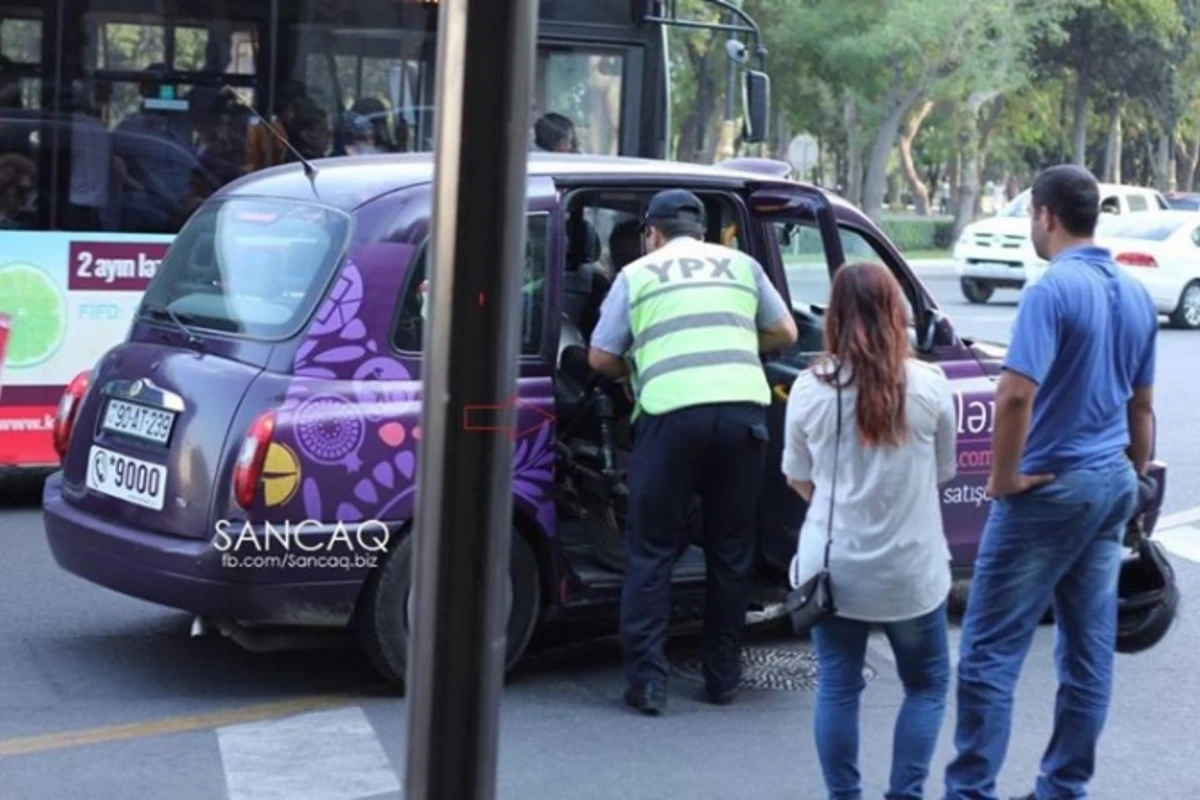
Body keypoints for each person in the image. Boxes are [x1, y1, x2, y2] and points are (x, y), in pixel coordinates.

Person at [943, 165, 1158, 800]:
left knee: (987, 651)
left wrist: (1003, 478)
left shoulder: (1051, 290)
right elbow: (1141, 409)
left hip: (1049, 488)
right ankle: (1064, 789)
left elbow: (1014, 397)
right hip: (1110, 481)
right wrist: (1137, 484)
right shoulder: (1135, 292)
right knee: (1087, 654)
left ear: (1045, 216)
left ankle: (970, 790)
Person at [587, 189, 798, 715]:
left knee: (652, 551)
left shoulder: (638, 274)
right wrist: (736, 346)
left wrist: (639, 368)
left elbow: (598, 357)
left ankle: (648, 684)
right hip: (743, 418)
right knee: (731, 550)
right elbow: (786, 331)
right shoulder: (742, 265)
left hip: (671, 416)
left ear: (651, 234)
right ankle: (722, 679)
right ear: (701, 232)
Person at [783, 261, 957, 800]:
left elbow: (798, 478)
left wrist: (843, 500)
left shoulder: (809, 392)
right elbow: (943, 473)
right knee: (927, 685)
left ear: (833, 316)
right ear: (896, 313)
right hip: (910, 572)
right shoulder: (930, 385)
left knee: (837, 688)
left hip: (834, 571)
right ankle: (904, 795)